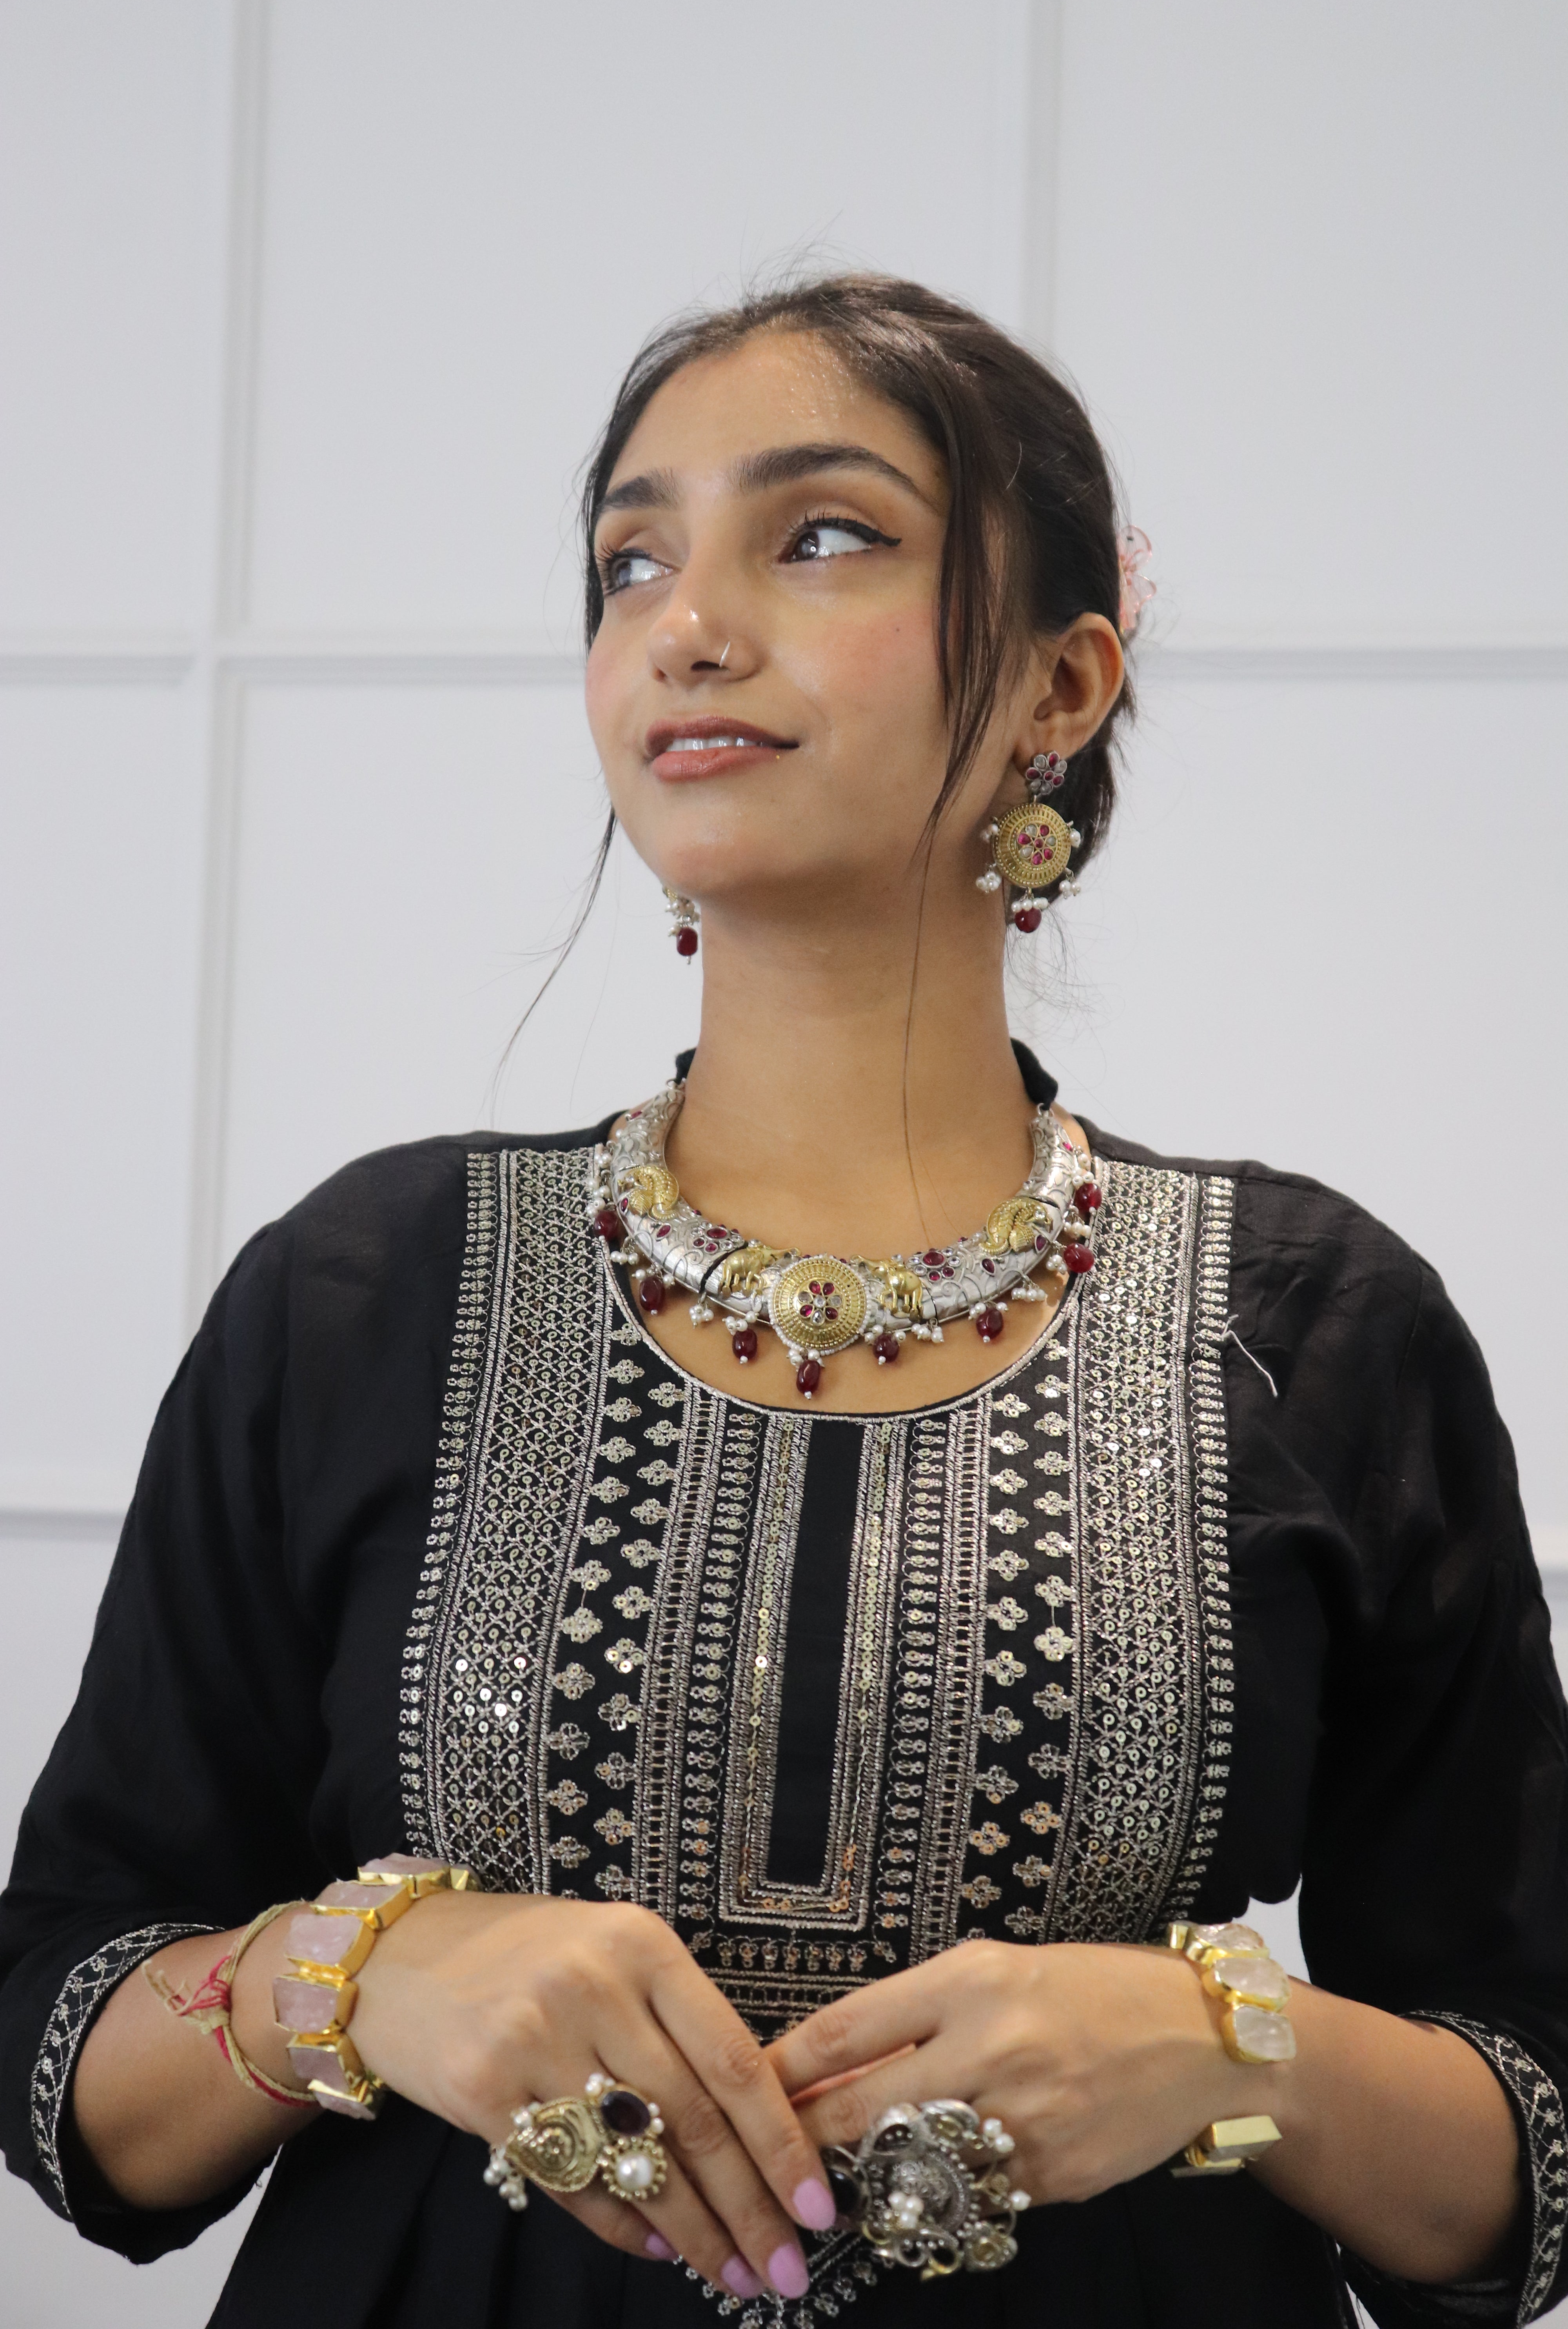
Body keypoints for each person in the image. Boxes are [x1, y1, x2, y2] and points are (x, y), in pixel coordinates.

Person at [2, 274, 1564, 2329]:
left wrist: (1220, 2048)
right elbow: (68, 2058)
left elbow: (1526, 2155)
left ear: (1061, 680)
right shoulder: (363, 1295)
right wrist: (361, 1978)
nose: (688, 624)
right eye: (630, 561)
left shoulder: (1318, 1325)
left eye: (822, 534)